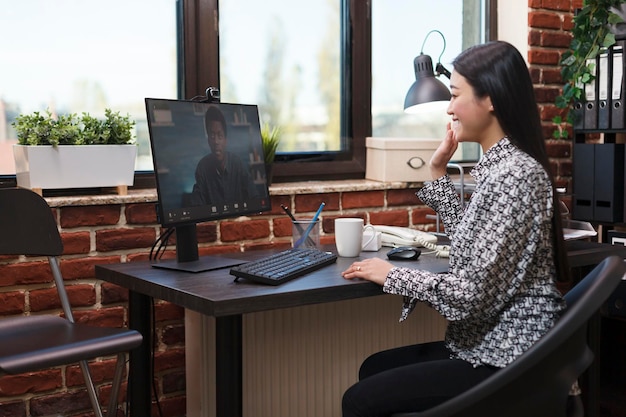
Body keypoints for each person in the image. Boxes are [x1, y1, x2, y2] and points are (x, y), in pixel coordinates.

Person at [340, 40, 571, 417]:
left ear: (491, 99)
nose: (448, 108)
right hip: (484, 343)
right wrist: (437, 172)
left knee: (359, 400)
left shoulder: (516, 175)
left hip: (507, 357)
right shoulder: (501, 168)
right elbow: (471, 248)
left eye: (455, 94)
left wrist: (393, 275)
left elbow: (471, 295)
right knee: (373, 369)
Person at [191, 105, 251, 206]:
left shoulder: (237, 164)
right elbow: (197, 207)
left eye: (220, 136)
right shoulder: (202, 167)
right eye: (212, 136)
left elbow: (254, 197)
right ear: (208, 140)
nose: (216, 142)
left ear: (226, 140)